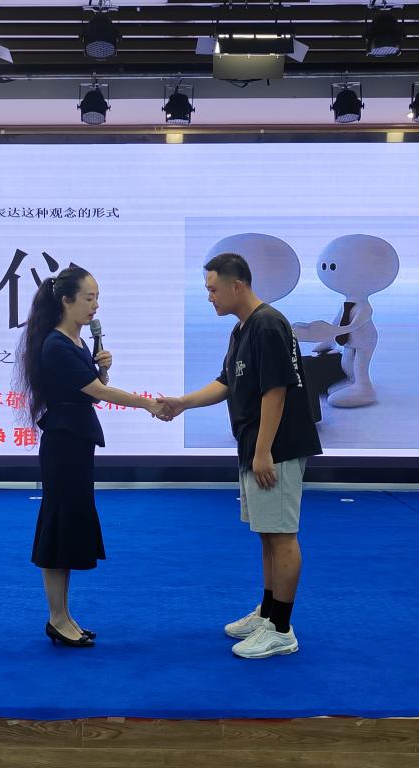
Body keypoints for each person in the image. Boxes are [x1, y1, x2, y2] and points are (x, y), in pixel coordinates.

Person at [157, 253, 321, 659]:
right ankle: (268, 612)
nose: (209, 297)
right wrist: (182, 403)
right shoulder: (242, 328)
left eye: (213, 289)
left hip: (276, 447)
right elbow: (227, 382)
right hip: (254, 445)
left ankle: (281, 629)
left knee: (282, 534)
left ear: (237, 286)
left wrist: (264, 451)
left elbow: (276, 390)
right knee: (267, 532)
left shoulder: (268, 324)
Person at [16, 265, 166, 648]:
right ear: (66, 301)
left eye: (97, 297)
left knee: (67, 526)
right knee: (59, 526)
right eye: (88, 297)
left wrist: (102, 369)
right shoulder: (56, 345)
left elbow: (94, 386)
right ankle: (56, 617)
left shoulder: (77, 342)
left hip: (76, 440)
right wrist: (147, 403)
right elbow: (98, 392)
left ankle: (63, 616)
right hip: (64, 444)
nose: (95, 305)